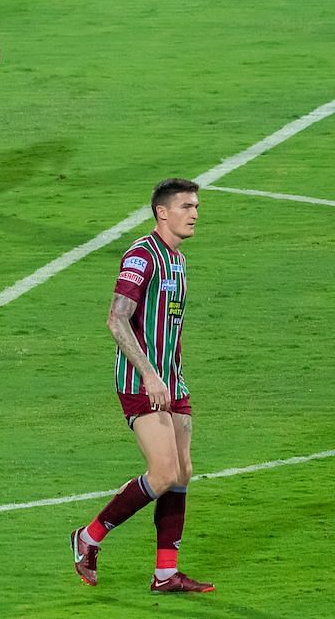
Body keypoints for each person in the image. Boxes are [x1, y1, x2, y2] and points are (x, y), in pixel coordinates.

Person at [70, 179, 214, 594]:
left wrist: (171, 375)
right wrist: (150, 373)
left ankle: (166, 574)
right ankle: (89, 537)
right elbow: (116, 319)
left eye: (196, 206)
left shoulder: (179, 261)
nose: (195, 213)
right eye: (187, 205)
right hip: (141, 379)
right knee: (164, 471)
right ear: (162, 212)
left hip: (171, 379)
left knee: (183, 472)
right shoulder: (142, 255)